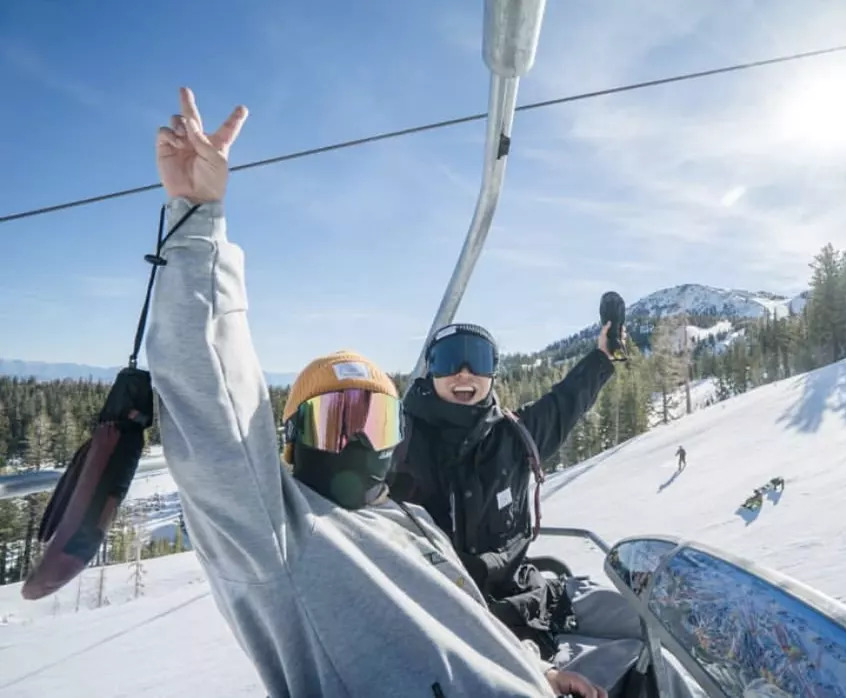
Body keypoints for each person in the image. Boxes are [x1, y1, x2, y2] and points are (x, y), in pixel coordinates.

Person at [146, 86, 606, 698]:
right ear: (291, 437)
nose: (363, 440)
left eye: (378, 422)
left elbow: (467, 623)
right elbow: (210, 405)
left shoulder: (408, 518)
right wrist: (197, 218)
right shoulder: (285, 537)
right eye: (341, 421)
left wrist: (537, 671)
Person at [389, 321, 627, 654]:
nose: (464, 373)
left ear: (493, 374)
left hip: (532, 598)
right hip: (455, 621)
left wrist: (603, 356)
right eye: (448, 360)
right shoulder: (399, 445)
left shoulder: (514, 436)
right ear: (430, 371)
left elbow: (565, 403)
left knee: (638, 624)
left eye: (479, 361)